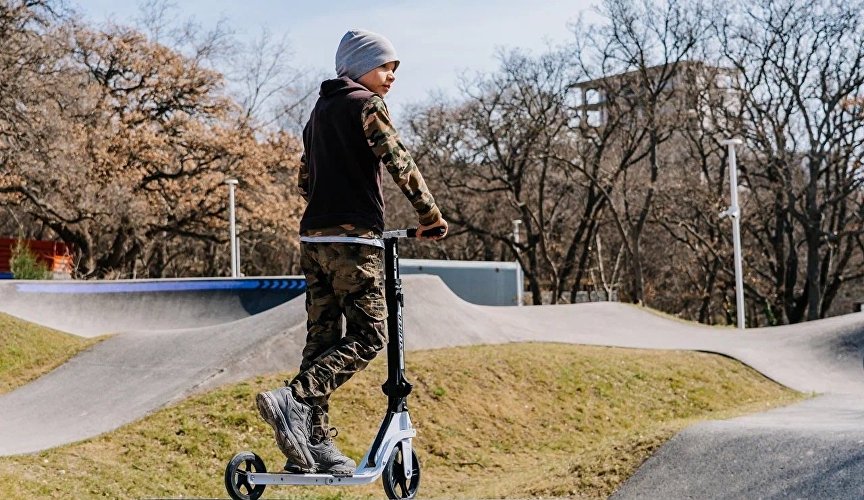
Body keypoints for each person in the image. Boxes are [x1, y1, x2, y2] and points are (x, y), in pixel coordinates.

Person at [256, 29, 448, 476]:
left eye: (395, 69)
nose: (391, 77)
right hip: (354, 241)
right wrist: (430, 215)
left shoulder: (318, 113)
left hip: (313, 239)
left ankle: (313, 441)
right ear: (358, 67)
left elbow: (305, 179)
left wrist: (326, 208)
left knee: (321, 340)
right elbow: (398, 160)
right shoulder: (366, 105)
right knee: (370, 335)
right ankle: (295, 398)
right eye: (385, 67)